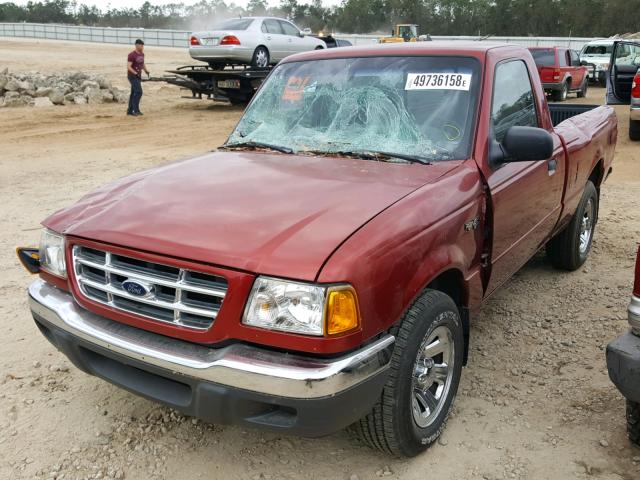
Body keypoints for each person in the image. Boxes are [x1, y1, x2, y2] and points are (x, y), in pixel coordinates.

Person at [127, 39, 149, 116]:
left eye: (143, 45)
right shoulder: (131, 55)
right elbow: (129, 67)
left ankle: (130, 111)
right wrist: (135, 73)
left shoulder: (142, 54)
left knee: (133, 93)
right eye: (141, 45)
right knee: (139, 92)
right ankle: (135, 110)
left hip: (138, 76)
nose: (142, 47)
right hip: (132, 76)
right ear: (137, 45)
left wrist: (146, 71)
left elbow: (142, 64)